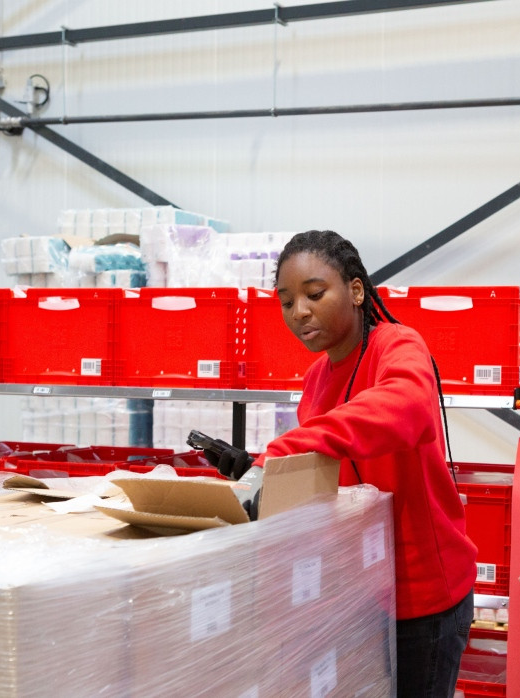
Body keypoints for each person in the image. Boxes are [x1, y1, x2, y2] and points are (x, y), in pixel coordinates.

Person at [202, 229, 477, 698]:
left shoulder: (398, 345)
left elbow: (405, 408)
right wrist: (261, 471)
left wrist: (285, 450)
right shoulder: (317, 378)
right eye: (286, 302)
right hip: (359, 591)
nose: (299, 312)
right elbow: (325, 471)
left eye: (313, 294)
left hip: (423, 596)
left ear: (355, 290)